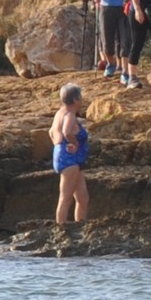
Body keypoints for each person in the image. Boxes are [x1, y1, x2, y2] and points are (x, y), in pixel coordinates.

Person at [49, 83, 92, 229]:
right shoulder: (69, 114)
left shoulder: (59, 113)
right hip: (69, 159)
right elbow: (67, 132)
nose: (82, 100)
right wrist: (74, 143)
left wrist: (58, 145)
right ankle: (60, 229)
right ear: (75, 99)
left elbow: (51, 132)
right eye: (80, 97)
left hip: (69, 158)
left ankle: (80, 227)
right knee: (65, 197)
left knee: (83, 197)